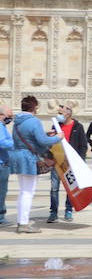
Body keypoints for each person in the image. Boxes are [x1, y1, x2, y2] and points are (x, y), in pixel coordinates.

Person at [10, 97, 61, 232]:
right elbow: (43, 141)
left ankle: (22, 221)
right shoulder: (34, 121)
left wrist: (44, 134)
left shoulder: (17, 121)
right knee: (28, 192)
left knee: (23, 191)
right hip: (29, 158)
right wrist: (58, 137)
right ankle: (23, 223)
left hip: (18, 156)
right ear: (34, 107)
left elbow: (28, 137)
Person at [48, 105, 87, 223]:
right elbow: (50, 143)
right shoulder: (56, 125)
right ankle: (53, 212)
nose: (58, 115)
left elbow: (83, 145)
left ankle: (68, 210)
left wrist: (79, 161)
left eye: (61, 113)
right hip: (57, 161)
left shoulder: (78, 127)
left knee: (70, 188)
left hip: (71, 162)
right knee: (54, 188)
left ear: (68, 114)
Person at [0, 106, 13, 226]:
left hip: (4, 163)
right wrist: (15, 143)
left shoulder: (2, 127)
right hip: (1, 164)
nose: (10, 118)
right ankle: (1, 217)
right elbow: (2, 142)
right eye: (8, 116)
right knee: (2, 191)